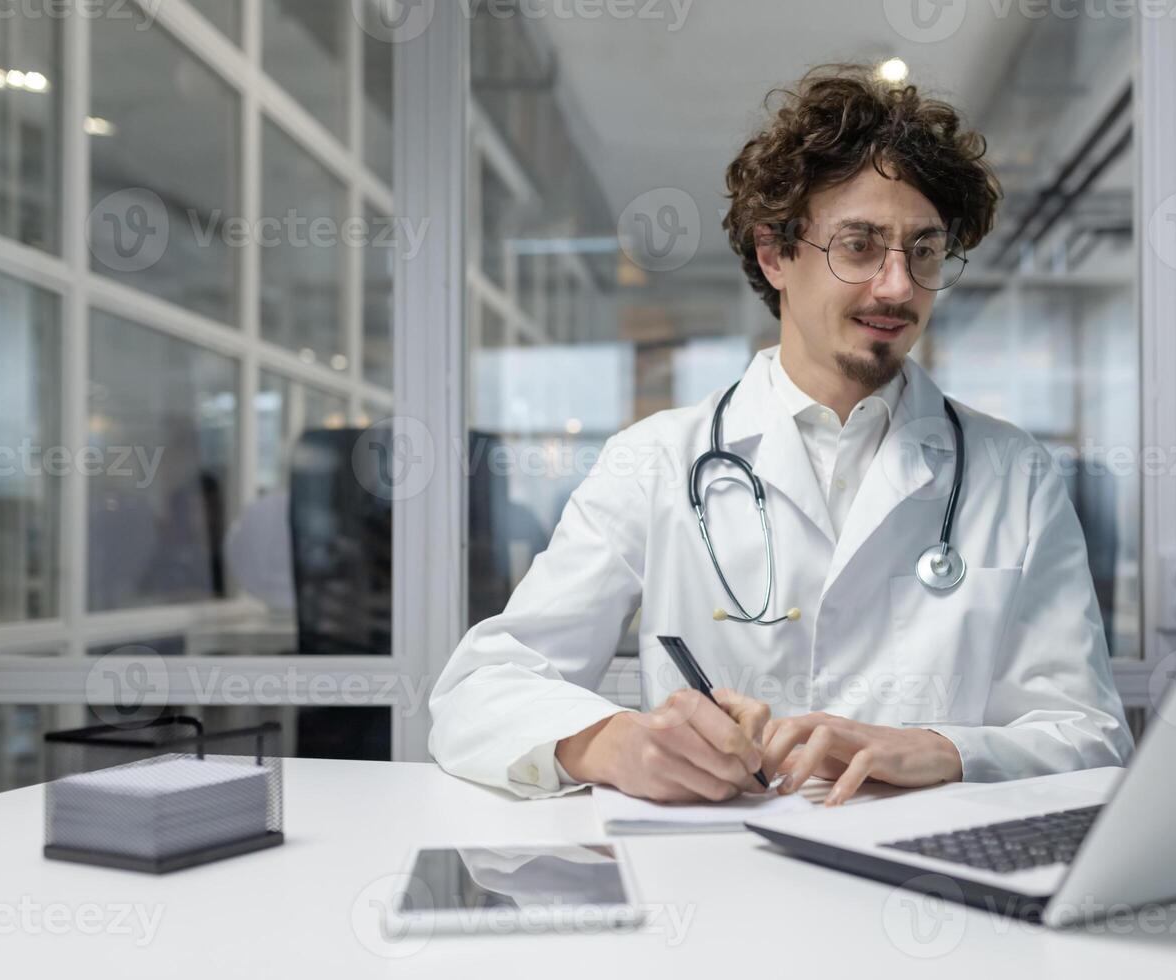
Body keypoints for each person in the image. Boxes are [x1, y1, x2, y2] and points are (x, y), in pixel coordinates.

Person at [429, 64, 1132, 806]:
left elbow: (1088, 735)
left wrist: (945, 749)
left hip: (934, 883)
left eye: (923, 251)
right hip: (721, 890)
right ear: (775, 254)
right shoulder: (657, 461)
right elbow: (480, 689)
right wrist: (608, 744)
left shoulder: (1013, 473)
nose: (898, 286)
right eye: (859, 246)